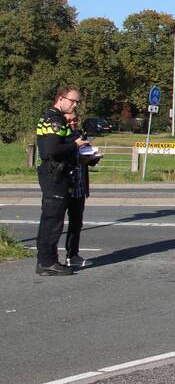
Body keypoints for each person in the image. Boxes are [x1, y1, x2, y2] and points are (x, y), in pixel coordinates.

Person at [34, 86, 89, 276]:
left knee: (52, 219)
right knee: (52, 220)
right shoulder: (54, 119)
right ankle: (47, 262)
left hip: (57, 174)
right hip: (54, 174)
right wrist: (75, 144)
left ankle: (47, 261)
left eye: (77, 102)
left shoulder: (53, 117)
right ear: (60, 98)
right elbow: (50, 150)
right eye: (72, 101)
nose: (75, 105)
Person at [63, 111, 101, 268]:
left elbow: (88, 157)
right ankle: (48, 256)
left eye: (75, 120)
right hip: (64, 184)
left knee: (76, 222)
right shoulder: (61, 137)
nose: (73, 122)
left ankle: (73, 255)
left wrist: (94, 158)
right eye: (69, 120)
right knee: (56, 222)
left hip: (79, 185)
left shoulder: (81, 135)